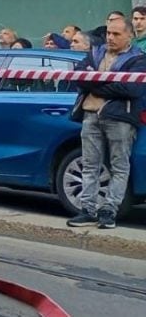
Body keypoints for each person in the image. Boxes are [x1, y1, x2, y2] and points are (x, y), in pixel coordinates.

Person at [67, 15, 145, 229]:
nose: (110, 37)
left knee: (119, 166)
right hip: (91, 115)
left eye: (116, 34)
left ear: (129, 36)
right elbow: (78, 77)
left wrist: (96, 83)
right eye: (109, 33)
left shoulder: (138, 59)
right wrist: (106, 84)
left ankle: (109, 211)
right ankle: (87, 210)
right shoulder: (95, 52)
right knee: (89, 164)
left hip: (120, 118)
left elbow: (132, 89)